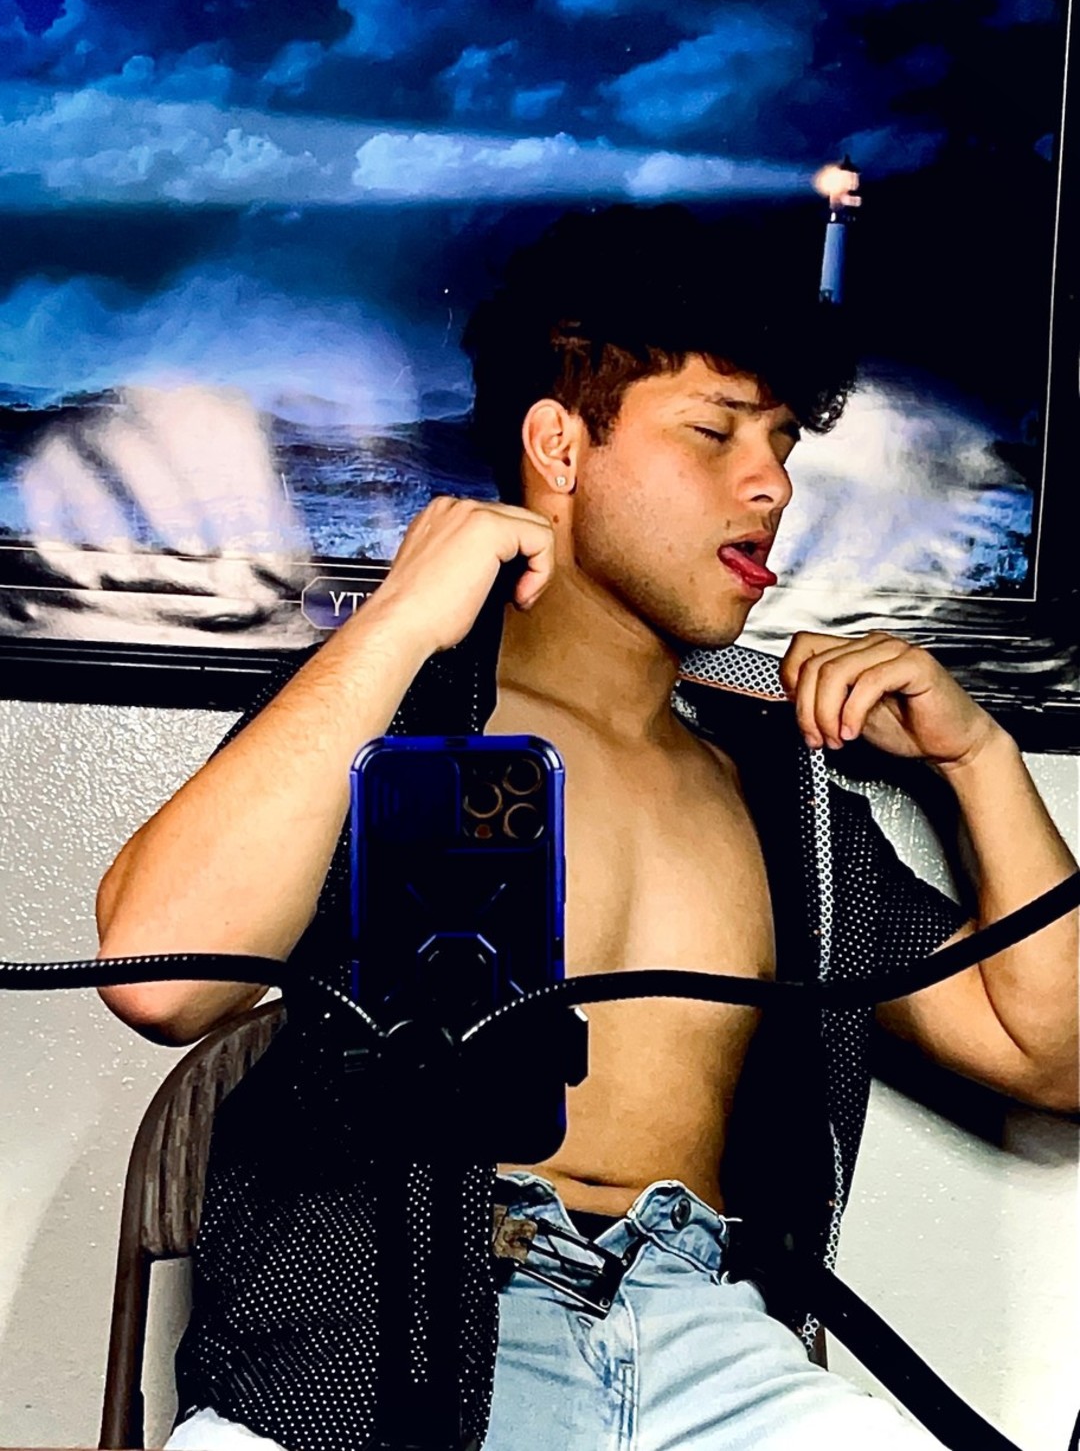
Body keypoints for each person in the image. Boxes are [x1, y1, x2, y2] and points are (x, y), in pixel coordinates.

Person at [96, 206, 1078, 1451]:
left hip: (710, 1338)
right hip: (393, 1337)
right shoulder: (394, 717)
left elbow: (1053, 1057)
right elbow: (160, 978)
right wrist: (396, 622)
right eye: (716, 431)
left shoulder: (781, 796)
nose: (772, 483)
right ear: (559, 445)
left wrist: (980, 761)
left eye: (781, 442)